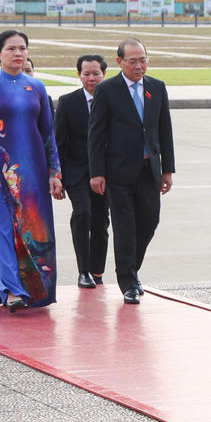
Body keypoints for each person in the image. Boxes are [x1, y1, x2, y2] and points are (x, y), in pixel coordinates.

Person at [0, 30, 63, 311]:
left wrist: (54, 173)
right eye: (11, 49)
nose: (18, 54)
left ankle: (36, 289)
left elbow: (48, 134)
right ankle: (10, 289)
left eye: (22, 48)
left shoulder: (36, 87)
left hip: (33, 172)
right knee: (2, 230)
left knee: (35, 229)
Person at [88, 38, 173, 305]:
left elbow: (164, 130)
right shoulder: (107, 90)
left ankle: (131, 269)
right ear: (119, 62)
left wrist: (167, 169)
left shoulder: (156, 88)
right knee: (124, 228)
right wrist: (97, 172)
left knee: (150, 222)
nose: (139, 66)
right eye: (133, 61)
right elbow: (96, 134)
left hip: (150, 171)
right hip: (118, 172)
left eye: (143, 60)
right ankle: (127, 282)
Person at [54, 54, 110, 289]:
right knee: (83, 213)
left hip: (106, 173)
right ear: (78, 75)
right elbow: (59, 141)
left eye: (96, 73)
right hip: (76, 172)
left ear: (104, 74)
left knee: (100, 221)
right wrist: (56, 175)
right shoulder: (68, 102)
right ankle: (83, 270)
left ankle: (97, 271)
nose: (91, 78)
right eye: (86, 74)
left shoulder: (113, 100)